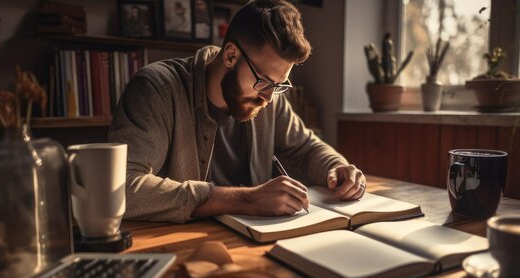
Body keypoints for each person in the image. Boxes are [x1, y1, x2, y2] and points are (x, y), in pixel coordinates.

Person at [109, 0, 366, 223]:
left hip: (252, 241)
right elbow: (121, 188)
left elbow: (307, 147)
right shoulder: (157, 89)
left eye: (279, 84)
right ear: (231, 56)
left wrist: (338, 168)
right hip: (179, 244)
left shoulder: (268, 96)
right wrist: (247, 199)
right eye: (264, 81)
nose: (267, 97)